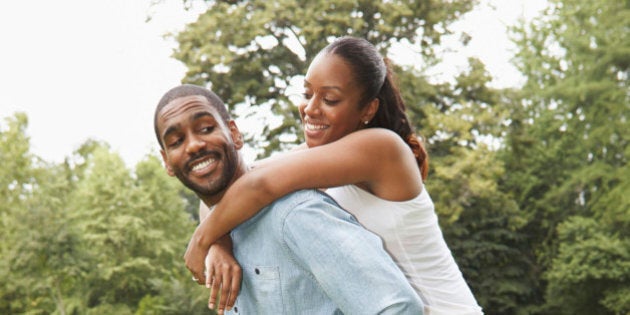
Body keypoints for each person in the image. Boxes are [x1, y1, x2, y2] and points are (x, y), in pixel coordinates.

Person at [185, 36, 484, 315]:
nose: (310, 109)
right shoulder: (317, 157)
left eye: (329, 99)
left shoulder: (382, 147)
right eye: (307, 93)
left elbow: (259, 185)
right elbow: (228, 189)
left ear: (367, 109)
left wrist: (201, 241)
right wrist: (218, 243)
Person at [154, 84, 424, 314]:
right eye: (176, 141)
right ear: (167, 162)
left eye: (205, 128)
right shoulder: (223, 236)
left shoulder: (294, 214)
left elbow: (397, 306)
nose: (194, 145)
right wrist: (214, 241)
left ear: (235, 134)